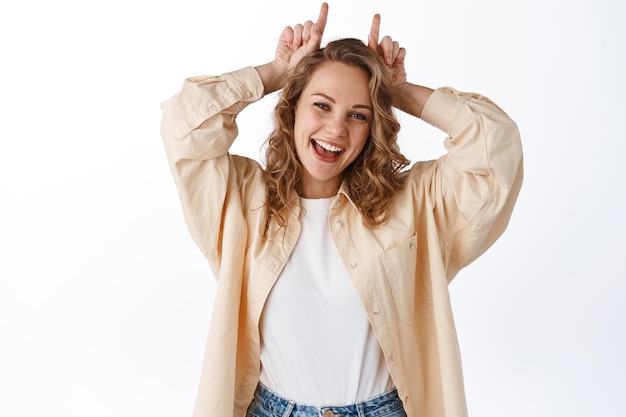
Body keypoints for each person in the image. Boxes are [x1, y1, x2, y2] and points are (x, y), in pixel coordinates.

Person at [160, 3, 523, 417]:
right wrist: (278, 71)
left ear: (373, 128)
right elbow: (183, 124)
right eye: (321, 105)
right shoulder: (242, 200)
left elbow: (496, 144)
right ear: (292, 106)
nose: (336, 128)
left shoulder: (414, 204)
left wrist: (396, 91)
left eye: (358, 114)